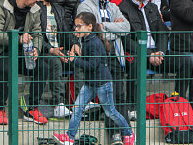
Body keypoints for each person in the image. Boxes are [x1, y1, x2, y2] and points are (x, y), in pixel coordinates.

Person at [53, 12, 135, 145]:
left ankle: (129, 133)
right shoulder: (86, 40)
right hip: (90, 83)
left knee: (111, 112)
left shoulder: (95, 43)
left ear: (90, 26)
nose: (76, 29)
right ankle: (69, 137)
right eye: (75, 27)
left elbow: (92, 65)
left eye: (79, 26)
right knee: (78, 108)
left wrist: (74, 60)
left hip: (102, 84)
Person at [119, 0, 193, 116]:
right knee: (136, 65)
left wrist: (160, 52)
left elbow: (162, 33)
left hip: (157, 53)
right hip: (137, 53)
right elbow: (126, 39)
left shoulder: (152, 7)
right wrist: (148, 55)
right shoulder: (122, 9)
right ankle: (132, 107)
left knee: (186, 62)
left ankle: (178, 100)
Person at [0, 0, 49, 125]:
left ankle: (32, 109)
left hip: (21, 53)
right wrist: (18, 39)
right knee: (8, 69)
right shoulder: (0, 7)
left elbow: (38, 33)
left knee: (43, 67)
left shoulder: (35, 9)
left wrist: (36, 48)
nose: (39, 0)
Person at [77, 0, 131, 144]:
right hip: (99, 57)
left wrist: (104, 26)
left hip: (116, 54)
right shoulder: (84, 6)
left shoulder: (111, 5)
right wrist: (112, 29)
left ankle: (126, 134)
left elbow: (126, 27)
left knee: (121, 96)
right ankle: (115, 135)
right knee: (110, 98)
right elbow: (92, 33)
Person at [36, 0, 80, 119]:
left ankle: (79, 103)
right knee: (55, 62)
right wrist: (51, 49)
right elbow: (35, 35)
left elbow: (67, 31)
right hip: (42, 51)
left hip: (59, 49)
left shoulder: (58, 9)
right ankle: (58, 104)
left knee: (80, 60)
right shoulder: (35, 9)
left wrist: (74, 44)